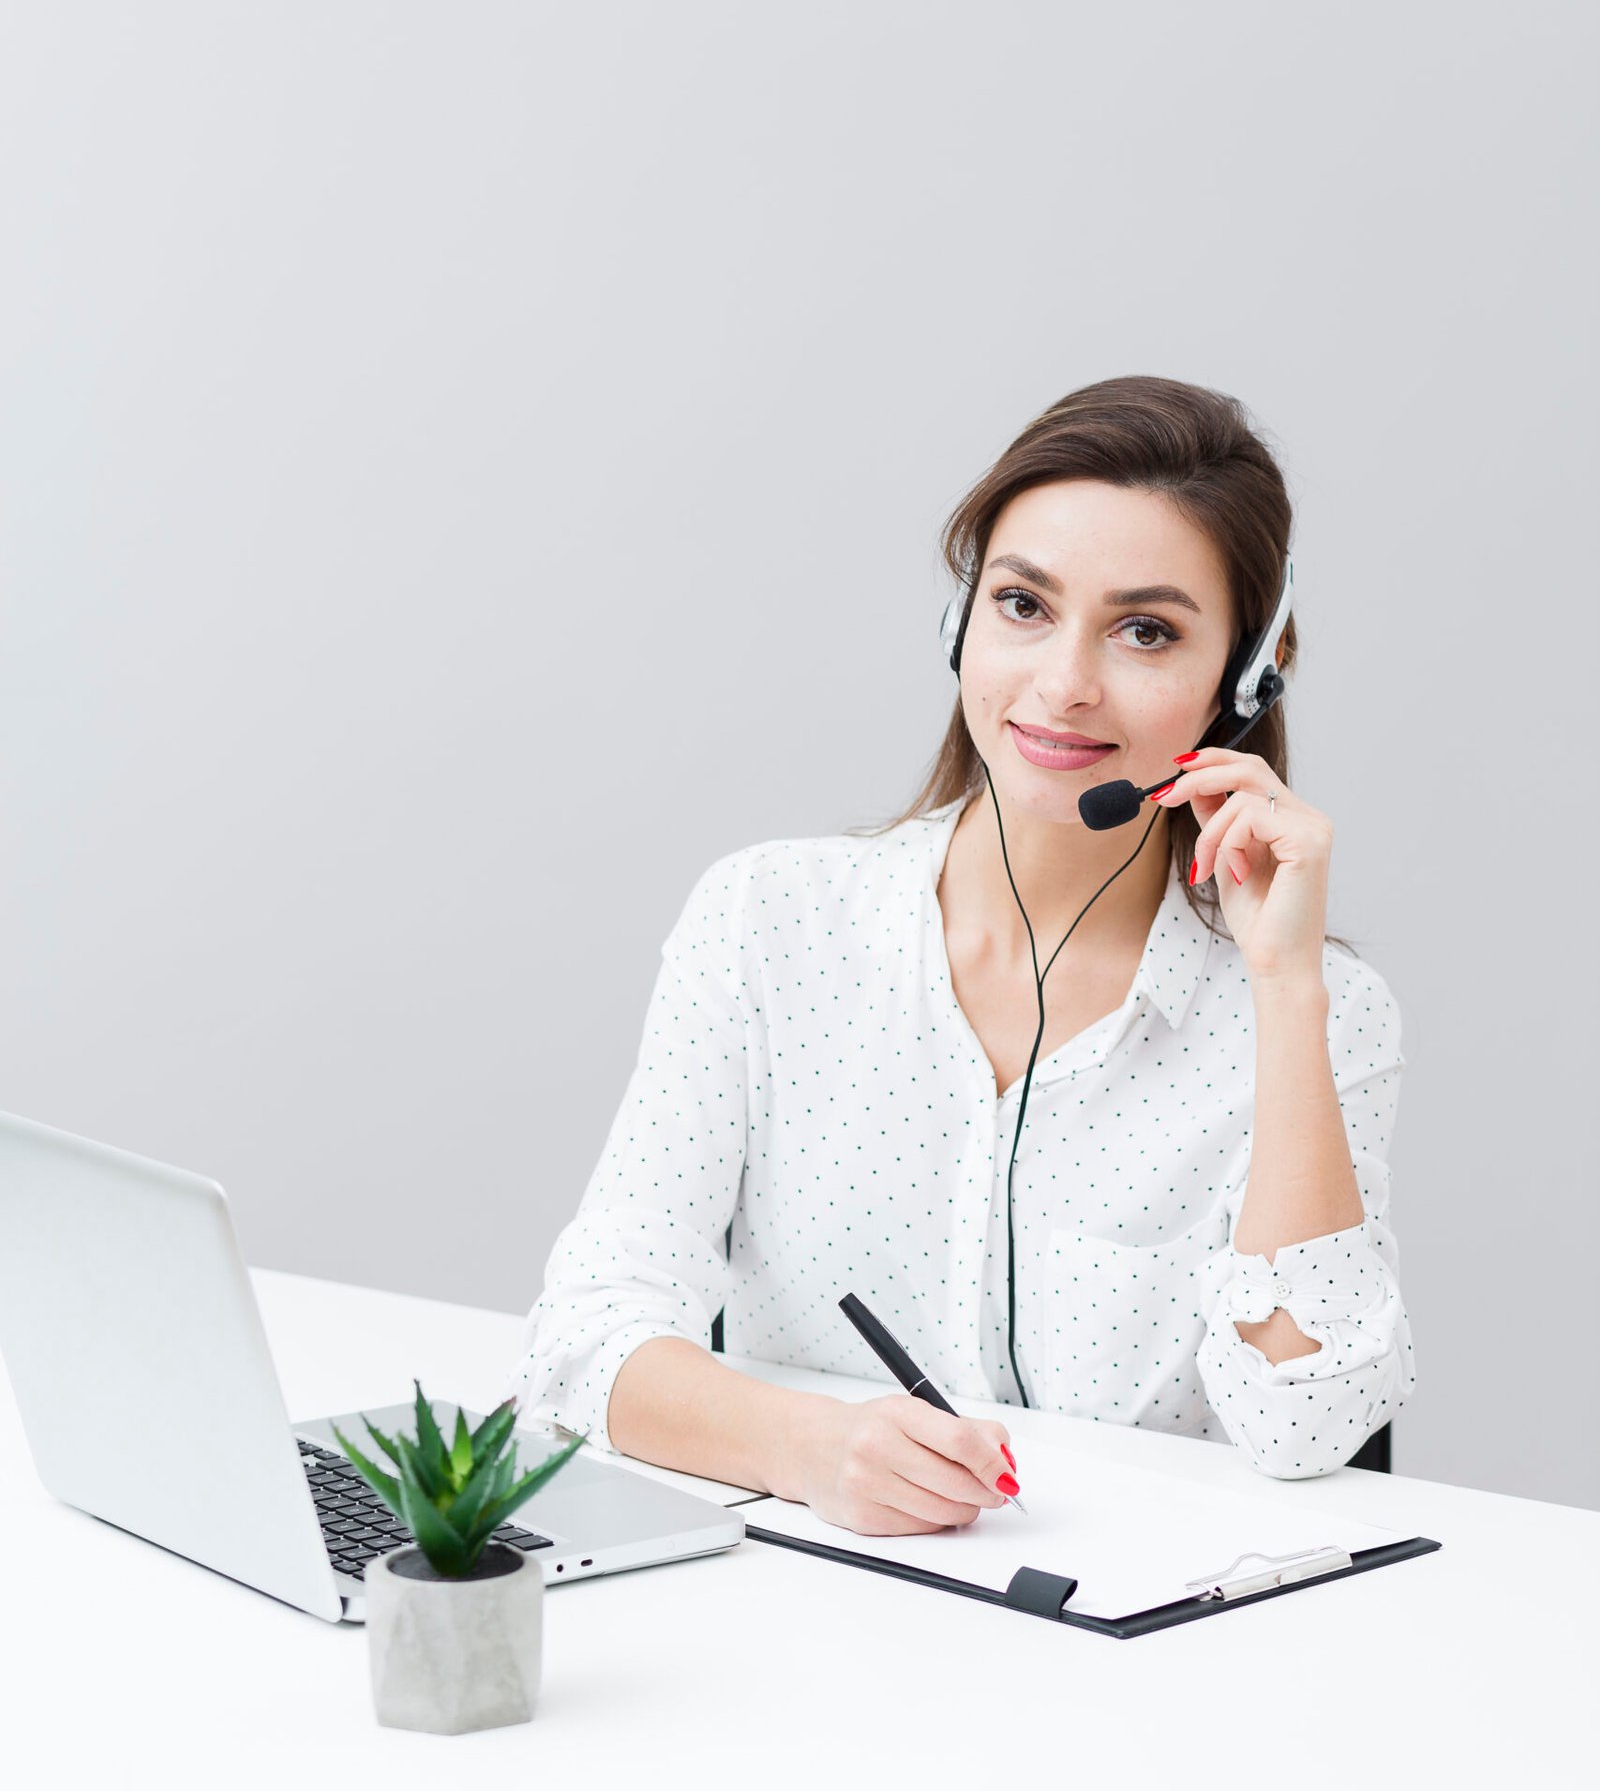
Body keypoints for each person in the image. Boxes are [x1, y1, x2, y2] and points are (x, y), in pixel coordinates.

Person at [500, 376, 1416, 1533]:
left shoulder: (1325, 1013)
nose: (1064, 683)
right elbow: (579, 1344)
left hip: (1148, 1649)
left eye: (1146, 631)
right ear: (961, 622)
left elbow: (1310, 1425)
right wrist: (812, 1449)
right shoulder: (770, 923)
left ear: (1245, 674)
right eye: (1023, 605)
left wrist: (1287, 996)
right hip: (824, 1611)